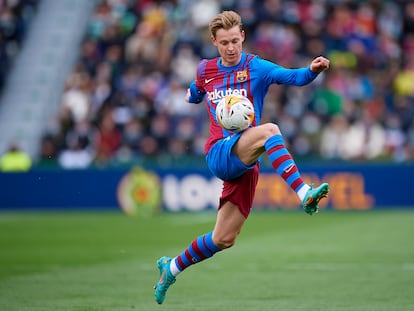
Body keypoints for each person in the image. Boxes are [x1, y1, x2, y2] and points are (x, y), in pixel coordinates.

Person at [154, 10, 330, 304]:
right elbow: (198, 90)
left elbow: (293, 77)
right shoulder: (205, 69)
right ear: (214, 41)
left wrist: (312, 70)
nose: (231, 48)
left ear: (243, 37)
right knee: (270, 130)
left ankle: (170, 267)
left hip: (246, 161)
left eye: (235, 41)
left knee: (223, 239)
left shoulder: (257, 67)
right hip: (220, 152)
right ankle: (303, 193)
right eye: (224, 43)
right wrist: (191, 96)